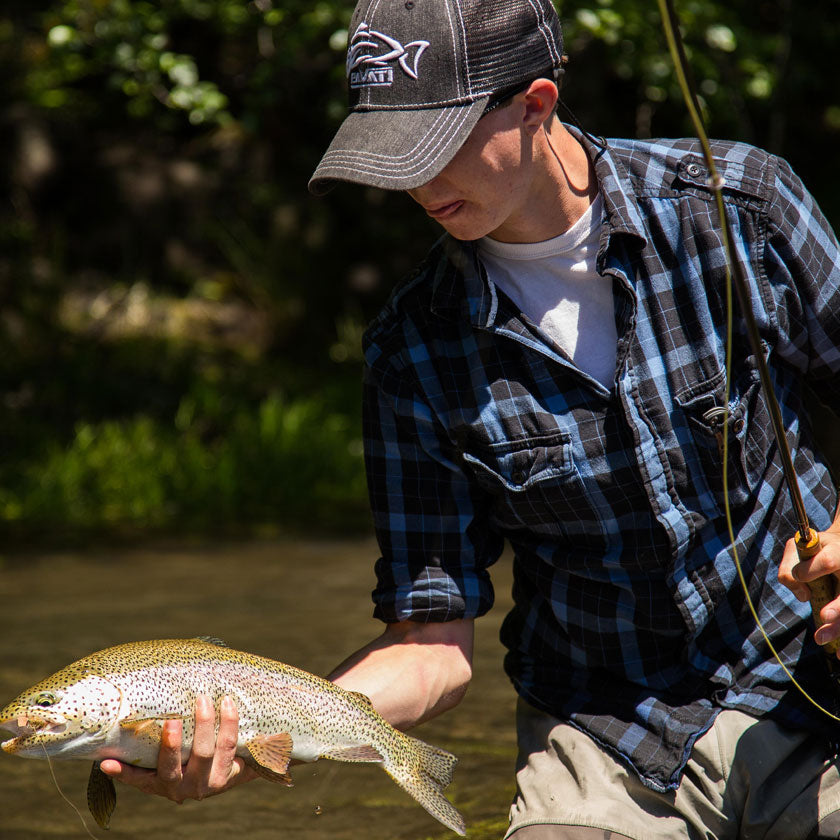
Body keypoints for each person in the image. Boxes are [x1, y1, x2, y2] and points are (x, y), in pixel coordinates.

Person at [102, 1, 840, 837]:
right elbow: (432, 643)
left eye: (436, 147)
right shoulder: (411, 351)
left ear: (535, 104)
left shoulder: (739, 205)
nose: (414, 183)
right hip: (604, 734)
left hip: (811, 683)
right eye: (391, 155)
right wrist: (267, 724)